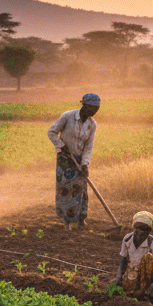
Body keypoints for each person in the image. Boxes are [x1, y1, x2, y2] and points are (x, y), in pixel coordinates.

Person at [47, 92, 100, 230]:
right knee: (66, 190)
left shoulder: (92, 124)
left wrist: (85, 164)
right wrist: (61, 145)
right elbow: (51, 132)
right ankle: (67, 221)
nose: (94, 111)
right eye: (92, 108)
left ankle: (81, 219)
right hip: (65, 159)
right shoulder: (68, 116)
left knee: (81, 190)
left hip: (80, 160)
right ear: (84, 105)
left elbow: (89, 146)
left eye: (97, 109)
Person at [112, 211, 153, 300]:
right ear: (134, 227)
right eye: (138, 228)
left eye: (144, 229)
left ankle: (147, 289)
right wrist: (119, 276)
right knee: (116, 287)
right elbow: (123, 260)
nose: (140, 232)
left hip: (147, 274)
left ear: (149, 231)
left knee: (148, 257)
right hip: (132, 272)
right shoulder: (127, 239)